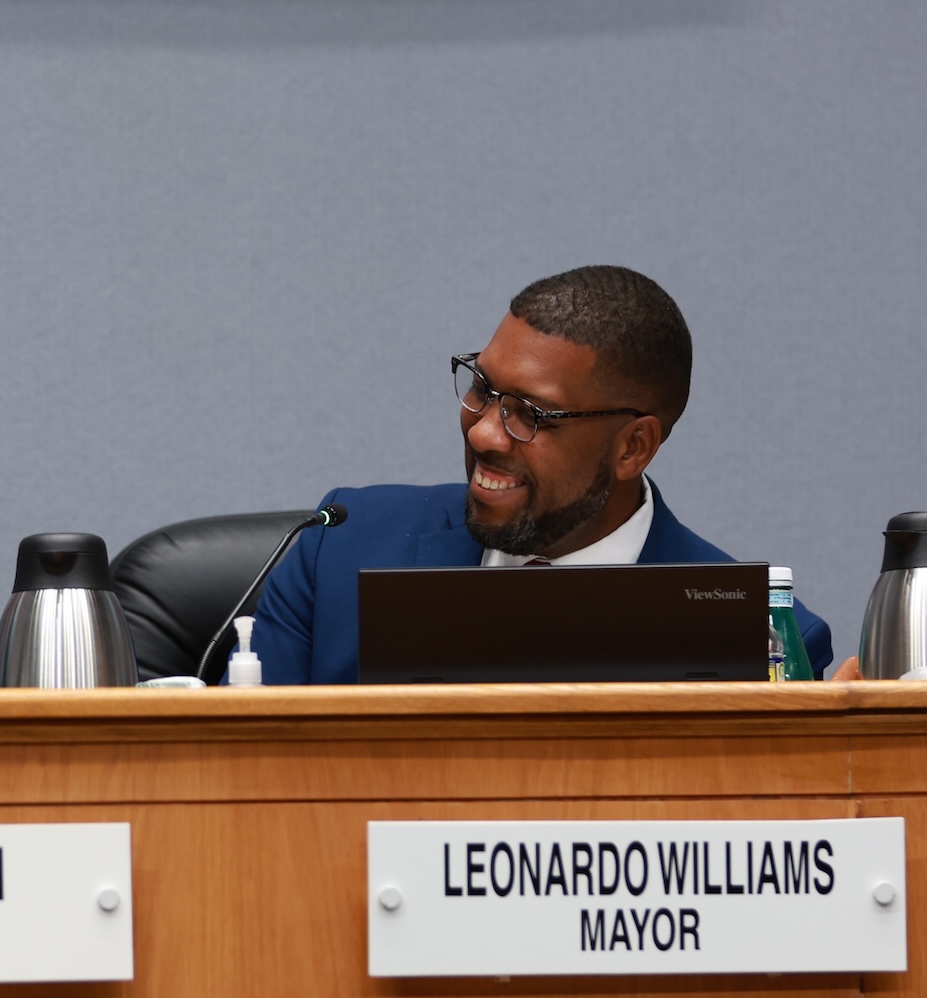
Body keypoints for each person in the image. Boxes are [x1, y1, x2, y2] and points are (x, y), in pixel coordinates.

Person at [250, 264, 832, 684]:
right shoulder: (340, 549)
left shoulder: (763, 643)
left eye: (530, 415)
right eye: (482, 387)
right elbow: (240, 785)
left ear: (633, 447)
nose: (483, 432)